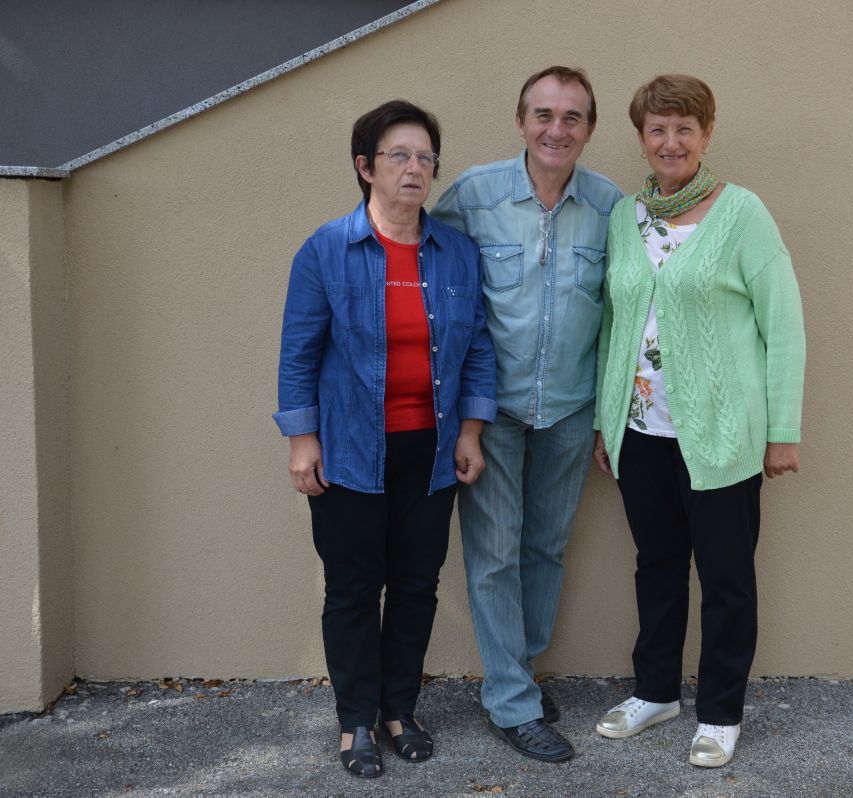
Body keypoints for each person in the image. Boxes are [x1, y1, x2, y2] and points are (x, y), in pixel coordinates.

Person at [274, 100, 496, 779]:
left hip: (430, 451)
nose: (415, 168)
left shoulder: (456, 253)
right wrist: (302, 440)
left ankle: (400, 710)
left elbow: (478, 347)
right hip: (348, 452)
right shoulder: (325, 250)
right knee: (351, 588)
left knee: (416, 586)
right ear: (365, 167)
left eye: (425, 157)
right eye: (399, 155)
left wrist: (470, 430)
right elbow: (298, 355)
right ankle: (355, 721)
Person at [591, 74, 805, 768]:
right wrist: (605, 422)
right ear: (641, 139)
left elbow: (784, 327)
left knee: (725, 577)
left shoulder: (743, 213)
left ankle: (719, 712)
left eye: (685, 128)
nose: (671, 141)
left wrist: (783, 432)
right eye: (657, 129)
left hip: (723, 433)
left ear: (707, 135)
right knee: (655, 566)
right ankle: (655, 692)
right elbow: (613, 324)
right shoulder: (625, 217)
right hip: (642, 432)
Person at [431, 66, 623, 763]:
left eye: (572, 117)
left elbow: (622, 314)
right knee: (493, 555)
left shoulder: (609, 206)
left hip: (571, 410)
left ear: (589, 129)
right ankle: (512, 702)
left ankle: (519, 669)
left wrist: (608, 416)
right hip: (492, 411)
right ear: (520, 122)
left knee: (545, 548)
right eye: (543, 114)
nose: (556, 129)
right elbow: (436, 282)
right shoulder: (474, 195)